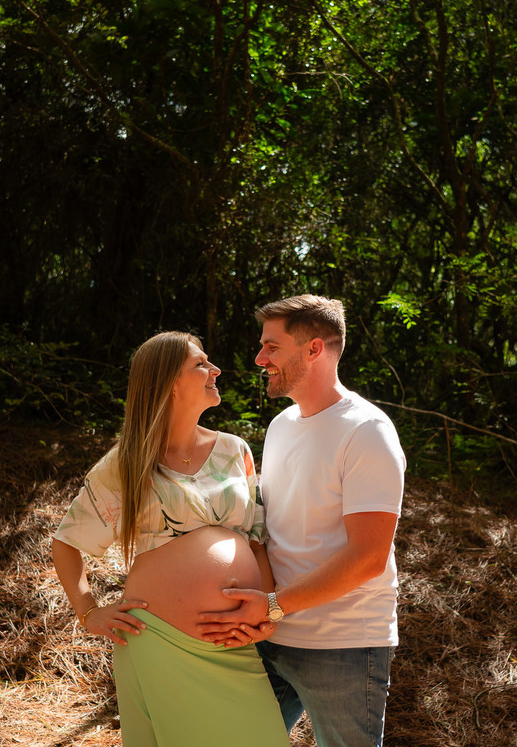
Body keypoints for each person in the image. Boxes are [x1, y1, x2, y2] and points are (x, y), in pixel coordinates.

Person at [51, 331, 288, 747]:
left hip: (233, 641)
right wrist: (88, 613)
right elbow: (67, 542)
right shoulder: (126, 463)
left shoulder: (235, 451)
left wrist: (266, 612)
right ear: (167, 383)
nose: (215, 370)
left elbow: (256, 540)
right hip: (156, 640)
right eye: (201, 364)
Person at [197, 295, 406, 747]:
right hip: (271, 636)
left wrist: (274, 604)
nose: (259, 358)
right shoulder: (282, 426)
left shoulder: (366, 431)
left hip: (343, 647)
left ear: (313, 349)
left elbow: (368, 557)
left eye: (271, 347)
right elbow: (272, 532)